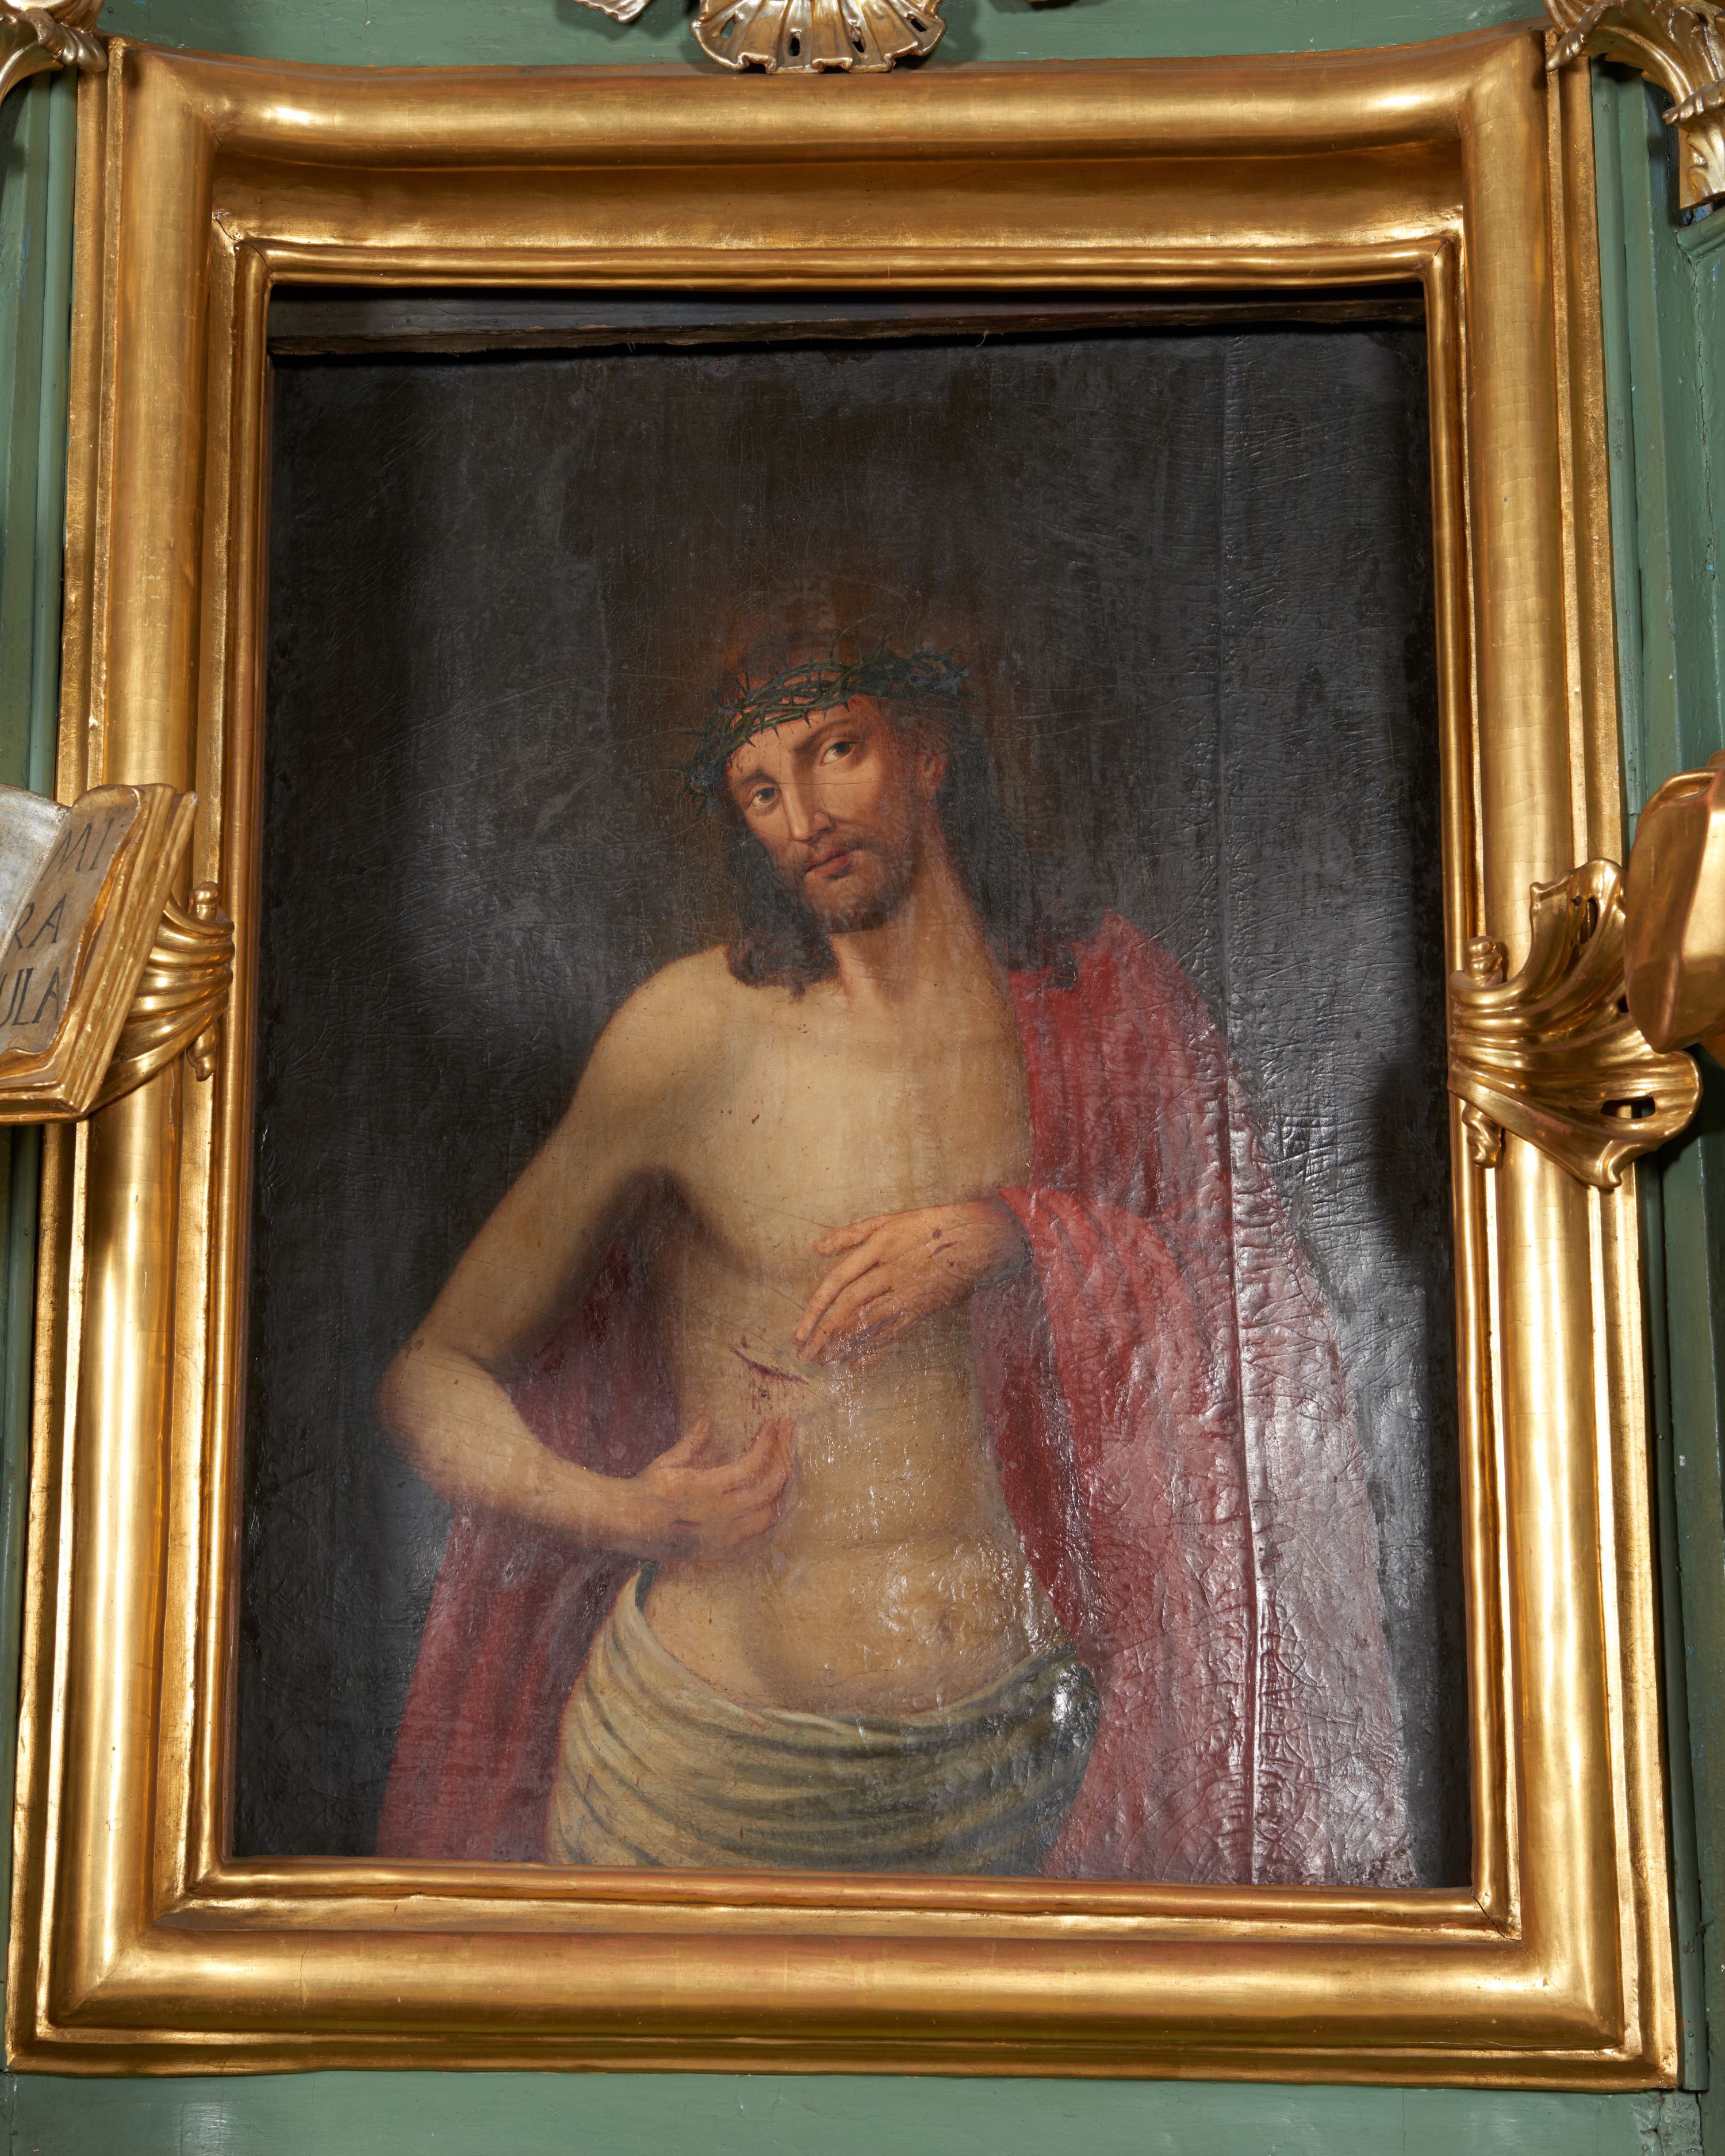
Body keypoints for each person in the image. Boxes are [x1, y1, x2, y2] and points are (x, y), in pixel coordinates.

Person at [377, 641, 1411, 1885]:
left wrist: (1020, 1236)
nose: (806, 816)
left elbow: (1260, 1316)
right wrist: (626, 1511)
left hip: (1025, 1763)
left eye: (836, 751)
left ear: (924, 752)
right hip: (712, 1773)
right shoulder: (691, 1035)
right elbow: (433, 1369)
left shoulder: (1103, 1000)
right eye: (762, 790)